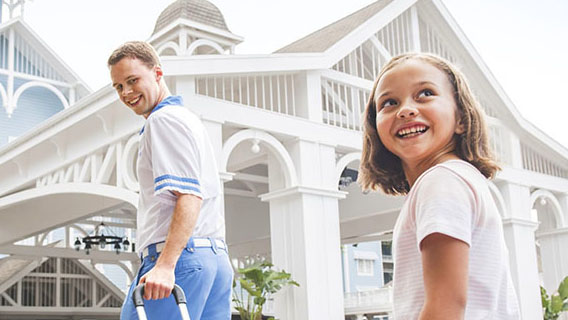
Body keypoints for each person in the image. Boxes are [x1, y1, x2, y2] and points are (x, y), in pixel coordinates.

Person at [358, 53, 521, 319]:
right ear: (375, 127)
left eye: (425, 93)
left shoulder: (441, 182)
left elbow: (445, 306)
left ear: (461, 118)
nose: (406, 109)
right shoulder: (456, 179)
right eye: (389, 102)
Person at [108, 41, 232, 320]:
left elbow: (188, 195)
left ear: (158, 74)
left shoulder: (162, 120)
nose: (126, 92)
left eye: (132, 80)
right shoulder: (188, 120)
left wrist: (165, 264)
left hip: (180, 261)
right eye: (118, 87)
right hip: (214, 259)